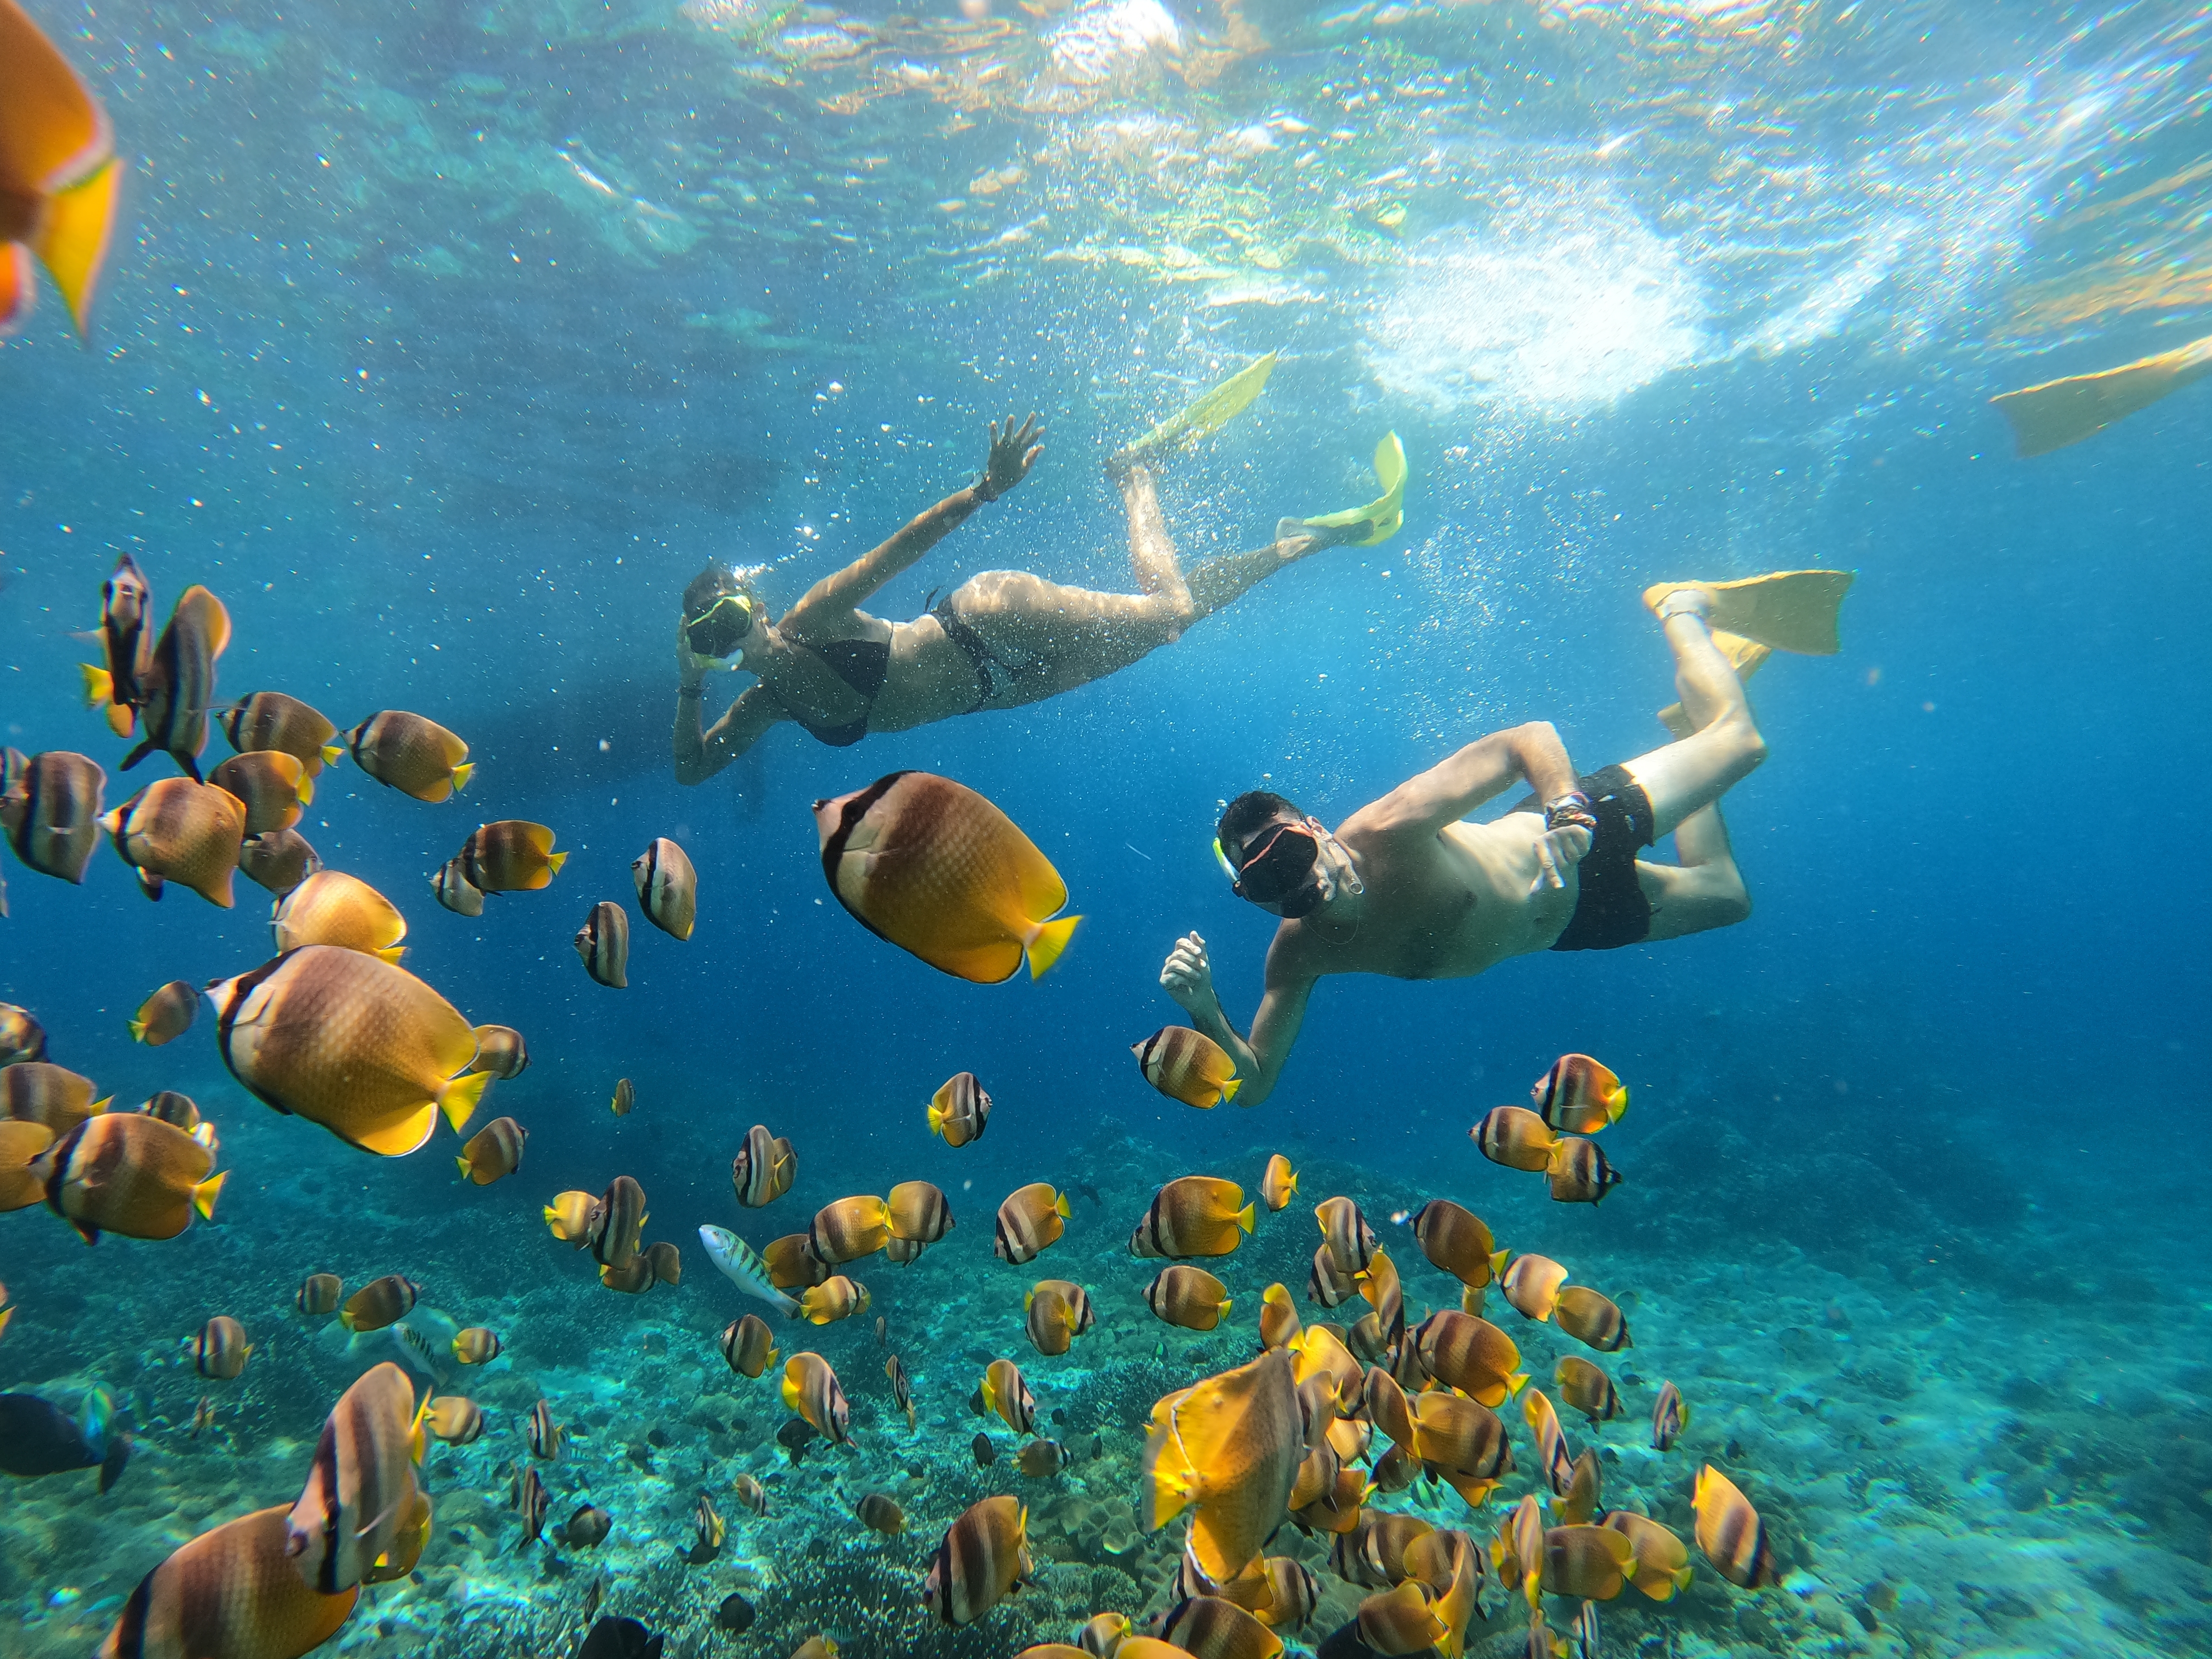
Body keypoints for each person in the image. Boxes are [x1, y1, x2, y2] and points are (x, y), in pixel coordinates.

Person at [1157, 572, 1852, 1103]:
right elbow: (1254, 1087)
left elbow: (1531, 738)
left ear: (1317, 830)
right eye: (1272, 885)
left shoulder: (1386, 827)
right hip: (1567, 922)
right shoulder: (1298, 957)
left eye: (1297, 856)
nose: (1301, 885)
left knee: (1741, 742)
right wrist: (1204, 1010)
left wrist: (1565, 811)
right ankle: (1684, 729)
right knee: (1727, 896)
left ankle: (1683, 607)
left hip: (1573, 833)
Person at [671, 357, 1407, 784]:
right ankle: (1305, 544)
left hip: (986, 618)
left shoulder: (811, 618)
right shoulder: (764, 707)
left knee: (1172, 611)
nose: (737, 641)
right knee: (1173, 625)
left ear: (758, 607)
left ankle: (1137, 473)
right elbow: (692, 770)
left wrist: (983, 491)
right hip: (1004, 689)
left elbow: (900, 549)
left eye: (735, 618)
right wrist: (688, 685)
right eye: (715, 638)